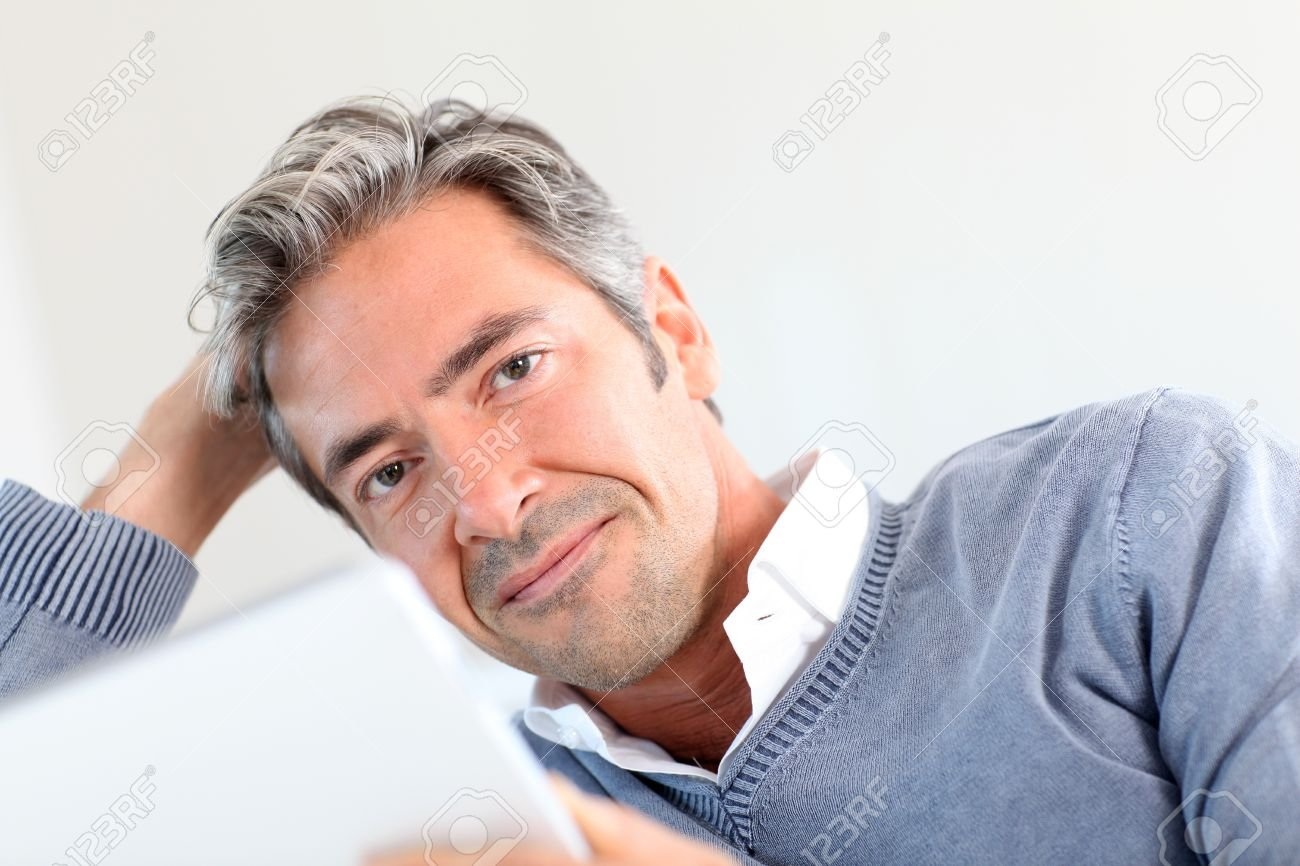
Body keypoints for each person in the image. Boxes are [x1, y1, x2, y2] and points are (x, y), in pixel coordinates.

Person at [2, 93, 1297, 865]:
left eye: (511, 369)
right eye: (389, 470)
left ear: (670, 326)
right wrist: (167, 475)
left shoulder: (1132, 518)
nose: (490, 505)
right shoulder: (468, 813)